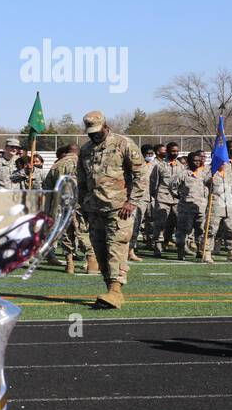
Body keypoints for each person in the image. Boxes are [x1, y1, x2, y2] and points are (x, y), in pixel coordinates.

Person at [76, 110, 148, 309]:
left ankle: (116, 291)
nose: (94, 135)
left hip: (119, 208)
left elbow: (141, 174)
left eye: (97, 131)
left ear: (106, 126)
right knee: (100, 250)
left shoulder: (123, 144)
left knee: (116, 247)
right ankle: (110, 288)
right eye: (91, 132)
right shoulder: (86, 149)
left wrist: (132, 201)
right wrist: (82, 204)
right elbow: (82, 179)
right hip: (94, 208)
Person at [42, 144, 91, 274]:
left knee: (66, 234)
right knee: (83, 232)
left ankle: (69, 263)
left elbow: (47, 188)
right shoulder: (84, 163)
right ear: (77, 152)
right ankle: (90, 263)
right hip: (81, 204)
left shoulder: (56, 165)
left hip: (62, 205)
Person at [147, 142, 183, 258]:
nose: (175, 153)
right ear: (167, 151)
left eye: (177, 151)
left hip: (177, 199)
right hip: (163, 197)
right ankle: (157, 246)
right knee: (160, 223)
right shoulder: (160, 166)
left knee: (179, 223)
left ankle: (181, 248)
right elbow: (154, 182)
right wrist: (156, 195)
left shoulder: (181, 166)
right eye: (173, 151)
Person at [175, 151, 208, 260]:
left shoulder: (203, 174)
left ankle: (200, 250)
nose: (197, 162)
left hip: (201, 208)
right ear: (189, 161)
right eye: (195, 160)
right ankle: (181, 251)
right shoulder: (183, 174)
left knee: (200, 230)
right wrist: (180, 197)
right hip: (186, 208)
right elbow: (172, 187)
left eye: (199, 160)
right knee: (184, 230)